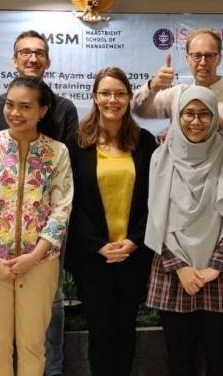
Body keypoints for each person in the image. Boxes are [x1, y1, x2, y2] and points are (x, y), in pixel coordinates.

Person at [0, 29, 78, 376]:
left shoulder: (64, 110)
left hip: (46, 237)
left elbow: (65, 178)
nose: (32, 58)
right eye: (25, 52)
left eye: (39, 53)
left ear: (48, 61)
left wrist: (42, 246)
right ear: (14, 59)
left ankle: (52, 371)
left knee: (51, 305)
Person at [144, 85, 223, 376]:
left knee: (221, 362)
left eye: (205, 114)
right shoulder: (160, 157)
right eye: (188, 113)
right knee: (179, 362)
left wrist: (215, 267)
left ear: (216, 117)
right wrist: (180, 267)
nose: (196, 121)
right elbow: (156, 218)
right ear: (177, 116)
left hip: (221, 272)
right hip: (174, 273)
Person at [66, 67, 157, 376]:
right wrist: (98, 245)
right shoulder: (77, 143)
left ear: (129, 98)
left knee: (125, 330)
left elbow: (154, 199)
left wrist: (133, 241)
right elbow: (72, 202)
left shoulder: (144, 142)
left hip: (133, 254)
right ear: (94, 97)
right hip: (93, 258)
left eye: (119, 93)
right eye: (105, 93)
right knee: (101, 334)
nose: (112, 100)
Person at [131, 28, 223, 144]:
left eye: (209, 56)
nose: (203, 62)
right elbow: (137, 109)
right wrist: (153, 85)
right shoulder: (177, 94)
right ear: (187, 59)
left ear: (219, 59)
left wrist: (222, 127)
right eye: (197, 56)